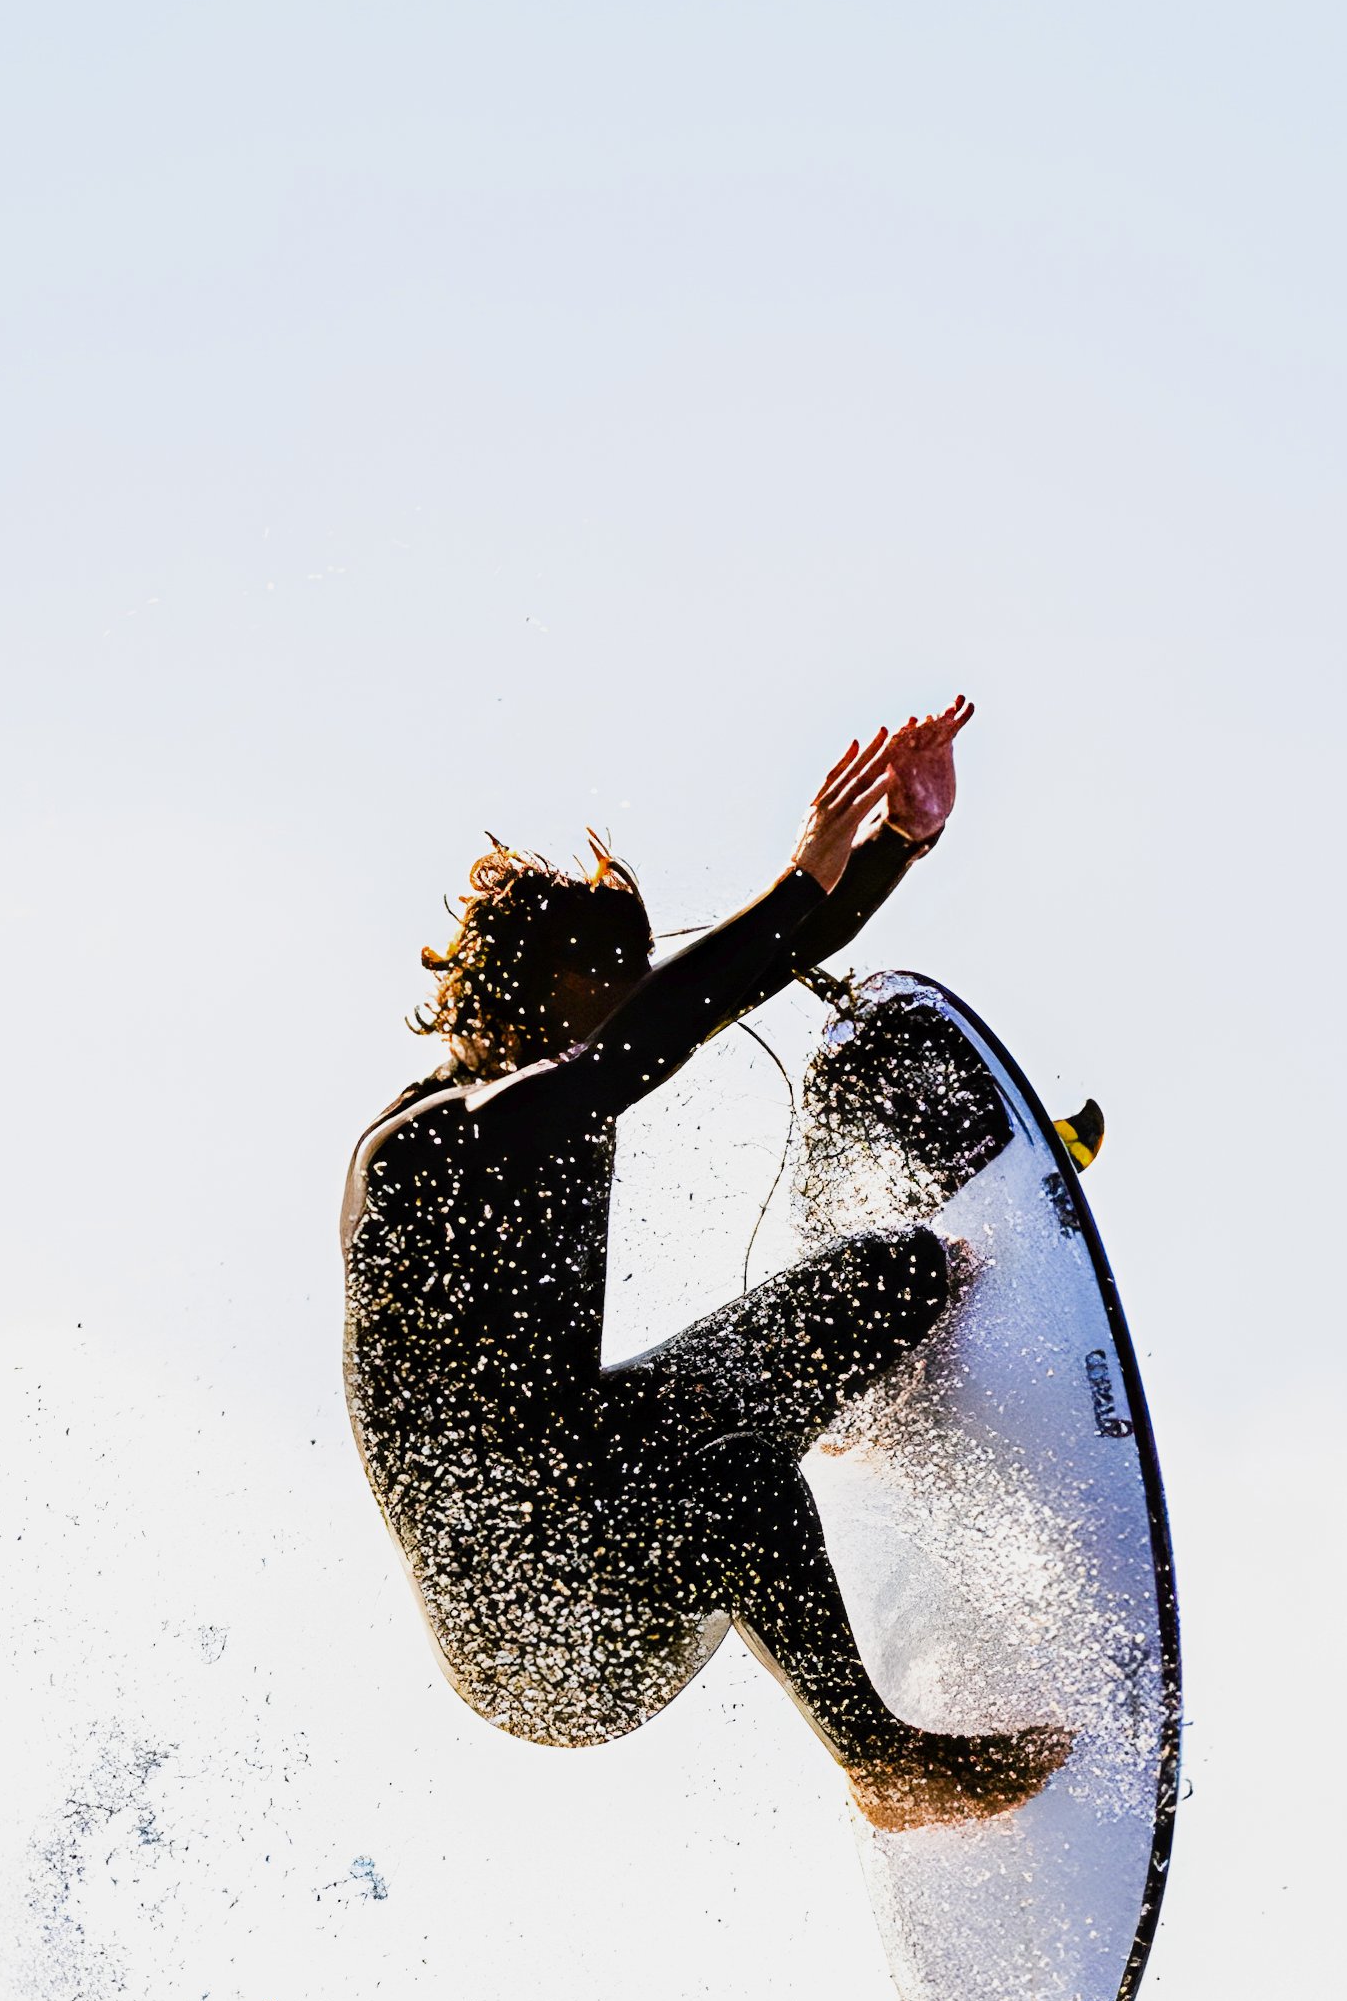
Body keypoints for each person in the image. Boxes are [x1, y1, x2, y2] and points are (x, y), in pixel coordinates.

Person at [336, 698, 1072, 1831]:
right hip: (540, 1633)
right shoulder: (435, 1150)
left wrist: (897, 842)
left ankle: (856, 1420)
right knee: (740, 1489)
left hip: (604, 1459)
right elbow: (662, 1027)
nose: (625, 1023)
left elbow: (715, 986)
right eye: (603, 1006)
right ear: (540, 1010)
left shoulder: (567, 1068)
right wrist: (796, 883)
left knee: (895, 1277)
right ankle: (883, 1762)